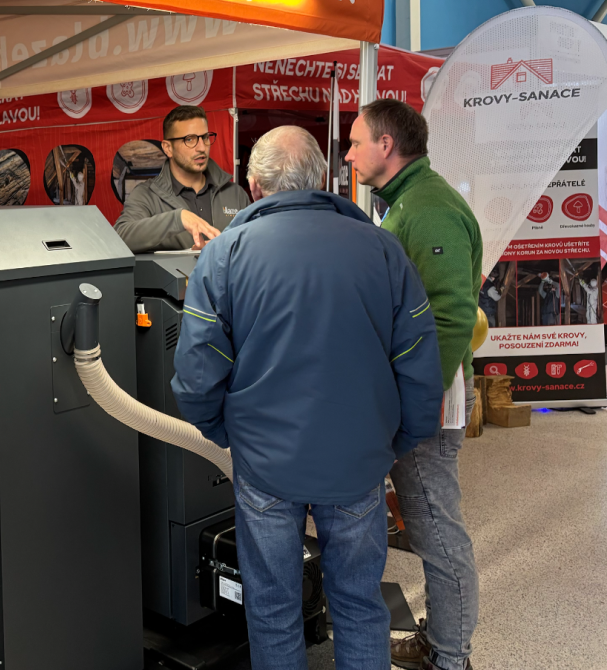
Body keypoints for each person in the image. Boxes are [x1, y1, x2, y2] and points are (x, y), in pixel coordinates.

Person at [172, 126, 443, 670]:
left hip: (265, 464)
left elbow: (197, 373)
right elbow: (419, 362)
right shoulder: (382, 249)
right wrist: (396, 442)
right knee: (360, 605)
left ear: (253, 186)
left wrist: (228, 434)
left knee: (273, 609)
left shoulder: (224, 256)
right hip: (358, 460)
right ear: (322, 178)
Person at [346, 99, 482, 670]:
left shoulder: (426, 209)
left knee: (436, 531)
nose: (348, 154)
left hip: (428, 399)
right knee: (428, 523)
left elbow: (451, 315)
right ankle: (442, 642)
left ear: (386, 145)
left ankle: (450, 658)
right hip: (418, 392)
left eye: (356, 142)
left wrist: (415, 406)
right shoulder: (407, 201)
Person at [114, 105, 249, 252]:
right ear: (168, 148)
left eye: (205, 137)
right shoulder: (146, 195)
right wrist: (178, 219)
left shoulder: (236, 194)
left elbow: (254, 246)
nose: (202, 147)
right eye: (189, 139)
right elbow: (120, 237)